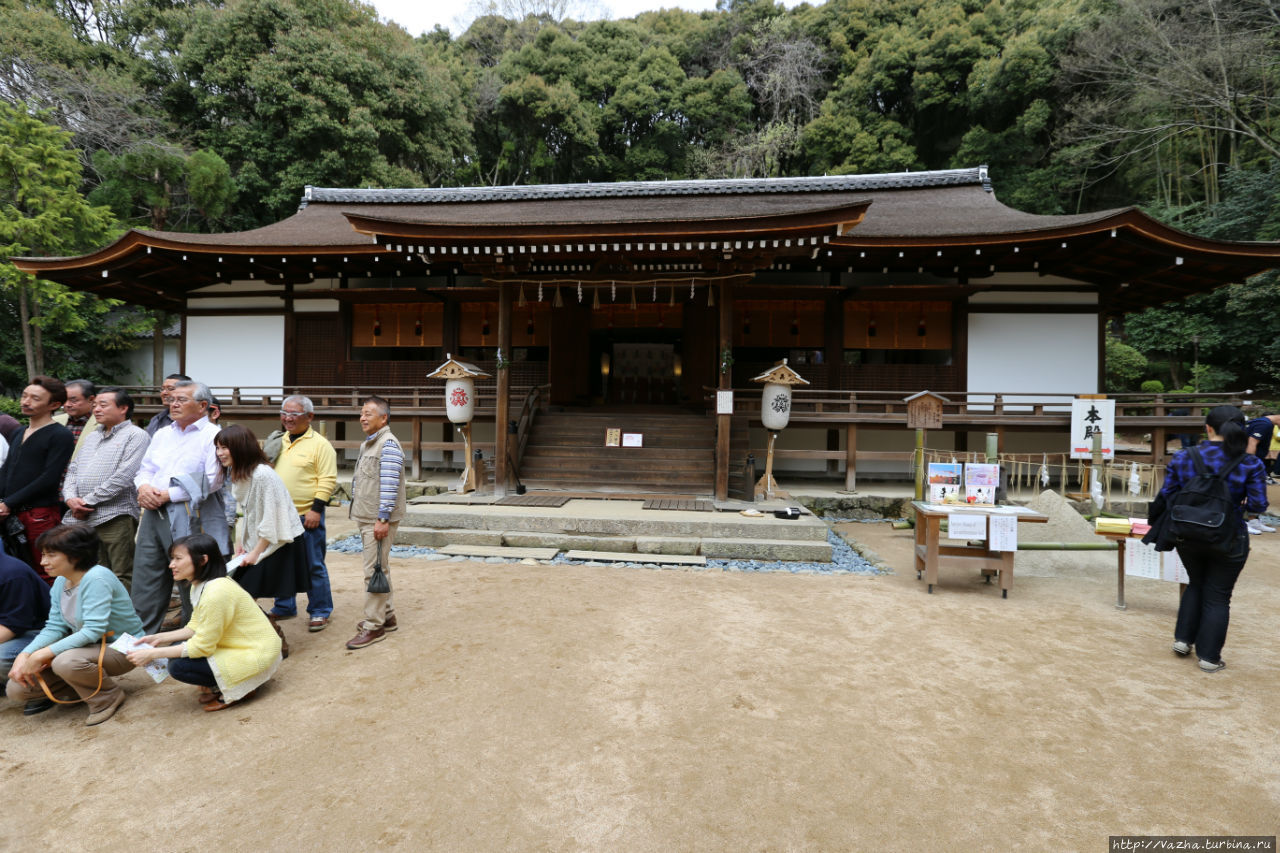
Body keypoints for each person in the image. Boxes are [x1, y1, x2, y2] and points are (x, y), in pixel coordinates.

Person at [1152, 405, 1267, 673]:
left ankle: (1182, 640)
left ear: (1207, 428)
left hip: (1187, 535)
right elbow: (1259, 505)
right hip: (1229, 536)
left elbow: (1168, 493)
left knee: (1196, 583)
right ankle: (1208, 657)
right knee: (1217, 595)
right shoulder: (1250, 463)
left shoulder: (1184, 456)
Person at [5, 525, 144, 725]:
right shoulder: (61, 582)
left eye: (51, 555)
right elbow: (54, 627)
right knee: (16, 689)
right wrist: (25, 654)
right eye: (43, 555)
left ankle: (106, 698)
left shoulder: (97, 577)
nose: (43, 562)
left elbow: (92, 630)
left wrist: (42, 654)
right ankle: (82, 687)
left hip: (124, 647)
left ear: (76, 555)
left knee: (65, 661)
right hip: (89, 649)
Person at [126, 534, 282, 711]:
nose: (171, 565)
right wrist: (157, 638)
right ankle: (224, 682)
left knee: (178, 666)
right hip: (245, 646)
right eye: (172, 559)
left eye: (178, 558)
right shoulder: (202, 584)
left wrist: (152, 654)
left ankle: (242, 688)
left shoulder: (215, 592)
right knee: (178, 652)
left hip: (257, 652)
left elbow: (202, 647)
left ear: (202, 560)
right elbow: (195, 625)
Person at [132, 379, 229, 634]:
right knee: (147, 574)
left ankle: (195, 638)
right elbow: (145, 469)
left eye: (181, 400)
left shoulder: (213, 435)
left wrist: (167, 494)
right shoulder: (163, 433)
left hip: (191, 512)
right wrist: (143, 488)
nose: (173, 404)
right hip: (154, 510)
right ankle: (141, 639)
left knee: (192, 575)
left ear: (203, 406)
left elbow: (213, 480)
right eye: (172, 399)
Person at [62, 387, 151, 589]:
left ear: (123, 408)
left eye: (103, 405)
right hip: (83, 516)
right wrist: (70, 498)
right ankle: (98, 617)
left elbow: (125, 476)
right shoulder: (93, 435)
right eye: (95, 405)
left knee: (121, 573)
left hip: (116, 514)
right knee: (93, 572)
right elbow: (73, 469)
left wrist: (86, 501)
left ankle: (122, 620)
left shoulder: (136, 435)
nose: (97, 409)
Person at [214, 425, 308, 604]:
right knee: (242, 594)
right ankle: (268, 628)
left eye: (224, 447)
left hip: (280, 539)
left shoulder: (262, 475)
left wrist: (256, 552)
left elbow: (270, 517)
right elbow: (248, 512)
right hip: (264, 539)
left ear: (240, 447)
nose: (220, 453)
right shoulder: (241, 473)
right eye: (218, 448)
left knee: (244, 594)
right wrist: (243, 542)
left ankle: (267, 630)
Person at [268, 396, 337, 632]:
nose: (287, 418)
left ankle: (320, 610)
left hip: (306, 514)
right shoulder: (278, 441)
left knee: (312, 564)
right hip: (280, 514)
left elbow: (327, 479)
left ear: (309, 417)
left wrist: (316, 509)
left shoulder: (320, 445)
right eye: (284, 412)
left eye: (294, 414)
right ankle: (284, 605)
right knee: (280, 562)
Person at [0, 376, 76, 577]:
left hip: (39, 514)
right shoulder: (19, 432)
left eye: (35, 398)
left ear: (55, 404)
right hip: (11, 511)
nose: (26, 402)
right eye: (25, 396)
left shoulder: (60, 435)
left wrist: (8, 503)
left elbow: (49, 478)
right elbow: (7, 469)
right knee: (15, 568)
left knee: (46, 570)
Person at [346, 395, 405, 651]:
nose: (363, 418)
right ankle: (388, 615)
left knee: (373, 572)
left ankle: (374, 625)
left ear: (384, 418)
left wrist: (382, 518)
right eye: (362, 413)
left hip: (377, 520)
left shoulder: (388, 444)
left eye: (369, 413)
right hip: (367, 516)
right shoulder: (369, 443)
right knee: (381, 567)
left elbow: (390, 485)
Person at [0, 547, 51, 714]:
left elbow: (12, 626)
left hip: (40, 632)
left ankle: (44, 689)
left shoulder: (11, 573)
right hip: (13, 632)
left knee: (0, 657)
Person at [56, 379, 98, 458]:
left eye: (73, 400)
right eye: (65, 400)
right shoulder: (54, 421)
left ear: (91, 399)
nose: (67, 404)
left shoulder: (104, 424)